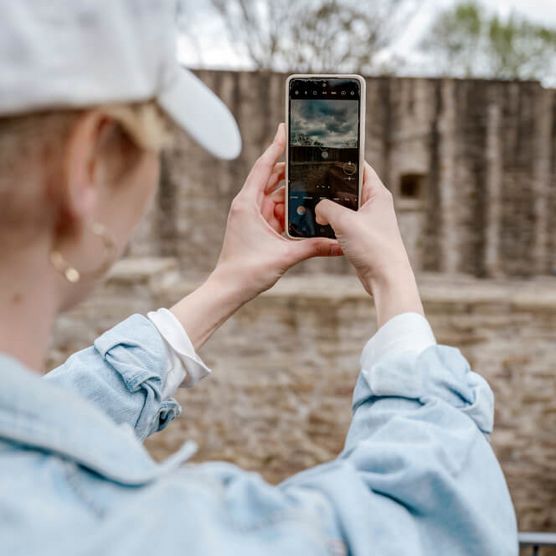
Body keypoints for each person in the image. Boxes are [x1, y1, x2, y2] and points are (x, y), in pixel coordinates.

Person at [0, 1, 518, 554]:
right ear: (91, 166)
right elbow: (440, 515)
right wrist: (394, 278)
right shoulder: (152, 534)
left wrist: (228, 282)